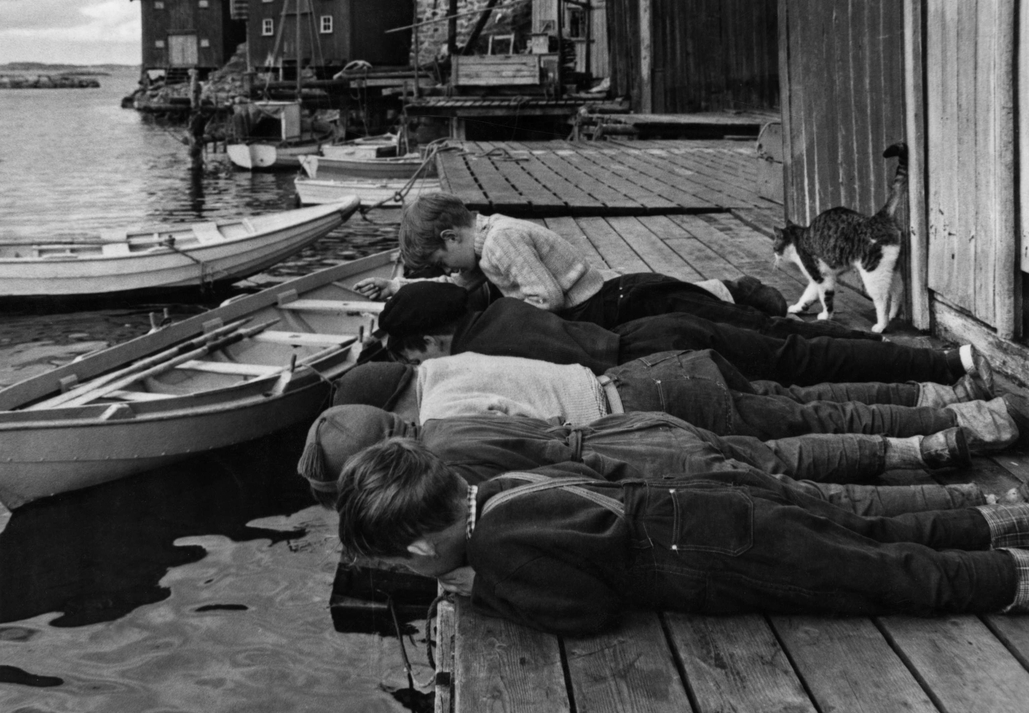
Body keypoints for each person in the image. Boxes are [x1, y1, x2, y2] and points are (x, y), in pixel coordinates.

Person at [334, 439, 1029, 634]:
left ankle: (1012, 576)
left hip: (722, 552)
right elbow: (580, 475)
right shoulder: (507, 486)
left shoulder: (496, 552)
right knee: (865, 529)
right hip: (707, 499)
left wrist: (483, 591)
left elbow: (583, 612)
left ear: (422, 549)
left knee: (881, 576)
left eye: (403, 563)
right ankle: (998, 517)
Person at [298, 403, 998, 518]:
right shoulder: (443, 420)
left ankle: (972, 507)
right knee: (776, 454)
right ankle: (919, 449)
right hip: (625, 427)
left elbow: (550, 487)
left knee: (805, 500)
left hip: (635, 470)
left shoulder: (441, 464)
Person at [373, 281, 991, 398]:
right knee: (796, 353)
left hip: (650, 360)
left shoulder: (480, 357)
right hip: (649, 328)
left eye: (413, 353)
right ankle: (943, 362)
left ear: (431, 340)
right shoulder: (504, 309)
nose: (418, 364)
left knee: (787, 392)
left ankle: (932, 389)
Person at [326, 350, 1029, 448]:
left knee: (809, 420)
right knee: (797, 397)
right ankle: (943, 391)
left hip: (632, 411)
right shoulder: (446, 360)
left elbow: (519, 427)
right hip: (642, 372)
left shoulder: (444, 413)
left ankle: (982, 420)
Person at [381, 194, 824, 333]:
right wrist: (402, 290)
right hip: (602, 289)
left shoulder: (500, 243)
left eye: (444, 259)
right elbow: (465, 279)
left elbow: (547, 298)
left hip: (600, 304)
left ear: (451, 236)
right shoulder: (484, 235)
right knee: (680, 298)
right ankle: (735, 290)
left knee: (695, 313)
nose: (452, 268)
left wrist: (504, 318)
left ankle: (747, 294)